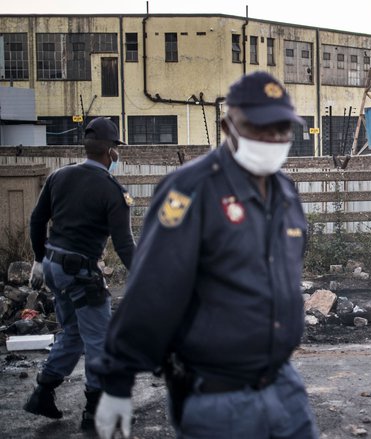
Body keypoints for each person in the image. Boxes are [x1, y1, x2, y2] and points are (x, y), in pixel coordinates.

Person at [91, 71, 319, 439]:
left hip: (282, 382)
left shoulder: (285, 192)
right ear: (229, 125)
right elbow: (153, 289)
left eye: (281, 128)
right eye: (259, 127)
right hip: (217, 398)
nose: (272, 139)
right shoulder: (192, 190)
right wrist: (118, 379)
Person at [24, 117, 136, 430]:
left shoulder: (59, 176)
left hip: (53, 267)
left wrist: (37, 258)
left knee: (73, 331)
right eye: (116, 149)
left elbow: (37, 221)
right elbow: (125, 245)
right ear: (111, 151)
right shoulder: (114, 191)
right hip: (82, 274)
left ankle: (43, 392)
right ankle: (94, 412)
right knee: (100, 339)